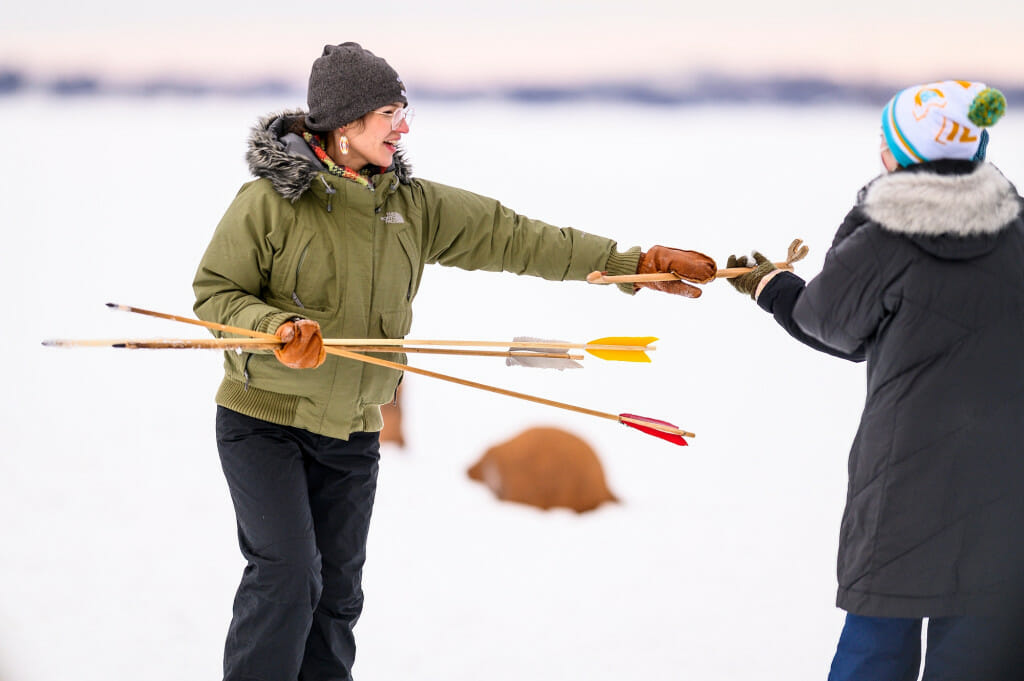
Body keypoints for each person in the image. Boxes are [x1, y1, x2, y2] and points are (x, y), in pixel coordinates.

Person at [192, 42, 717, 681]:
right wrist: (275, 328)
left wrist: (635, 266)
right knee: (287, 573)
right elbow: (217, 294)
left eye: (402, 110)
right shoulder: (269, 202)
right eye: (390, 112)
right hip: (263, 422)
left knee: (336, 598)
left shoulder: (410, 206)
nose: (404, 125)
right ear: (347, 122)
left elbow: (518, 237)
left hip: (353, 430)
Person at [725, 80, 1024, 680]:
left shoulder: (887, 236)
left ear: (899, 153)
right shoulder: (1016, 229)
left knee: (876, 648)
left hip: (907, 483)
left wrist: (771, 286)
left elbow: (829, 323)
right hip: (1006, 481)